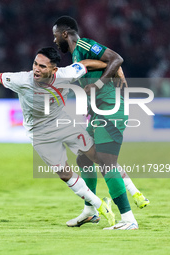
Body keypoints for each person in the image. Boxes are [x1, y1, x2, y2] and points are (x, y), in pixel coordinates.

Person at [0, 47, 126, 228]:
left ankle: (129, 199)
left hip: (62, 122)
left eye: (42, 66)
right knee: (64, 174)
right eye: (35, 64)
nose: (36, 69)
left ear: (54, 70)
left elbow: (86, 64)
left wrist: (113, 67)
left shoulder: (66, 73)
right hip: (39, 133)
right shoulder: (22, 79)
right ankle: (99, 205)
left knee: (99, 157)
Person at [53, 16, 149, 230]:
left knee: (107, 163)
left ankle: (128, 219)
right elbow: (106, 69)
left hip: (112, 110)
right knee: (83, 158)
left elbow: (116, 59)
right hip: (99, 111)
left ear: (65, 34)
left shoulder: (84, 44)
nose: (54, 40)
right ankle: (90, 211)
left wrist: (97, 85)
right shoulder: (77, 56)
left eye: (55, 35)